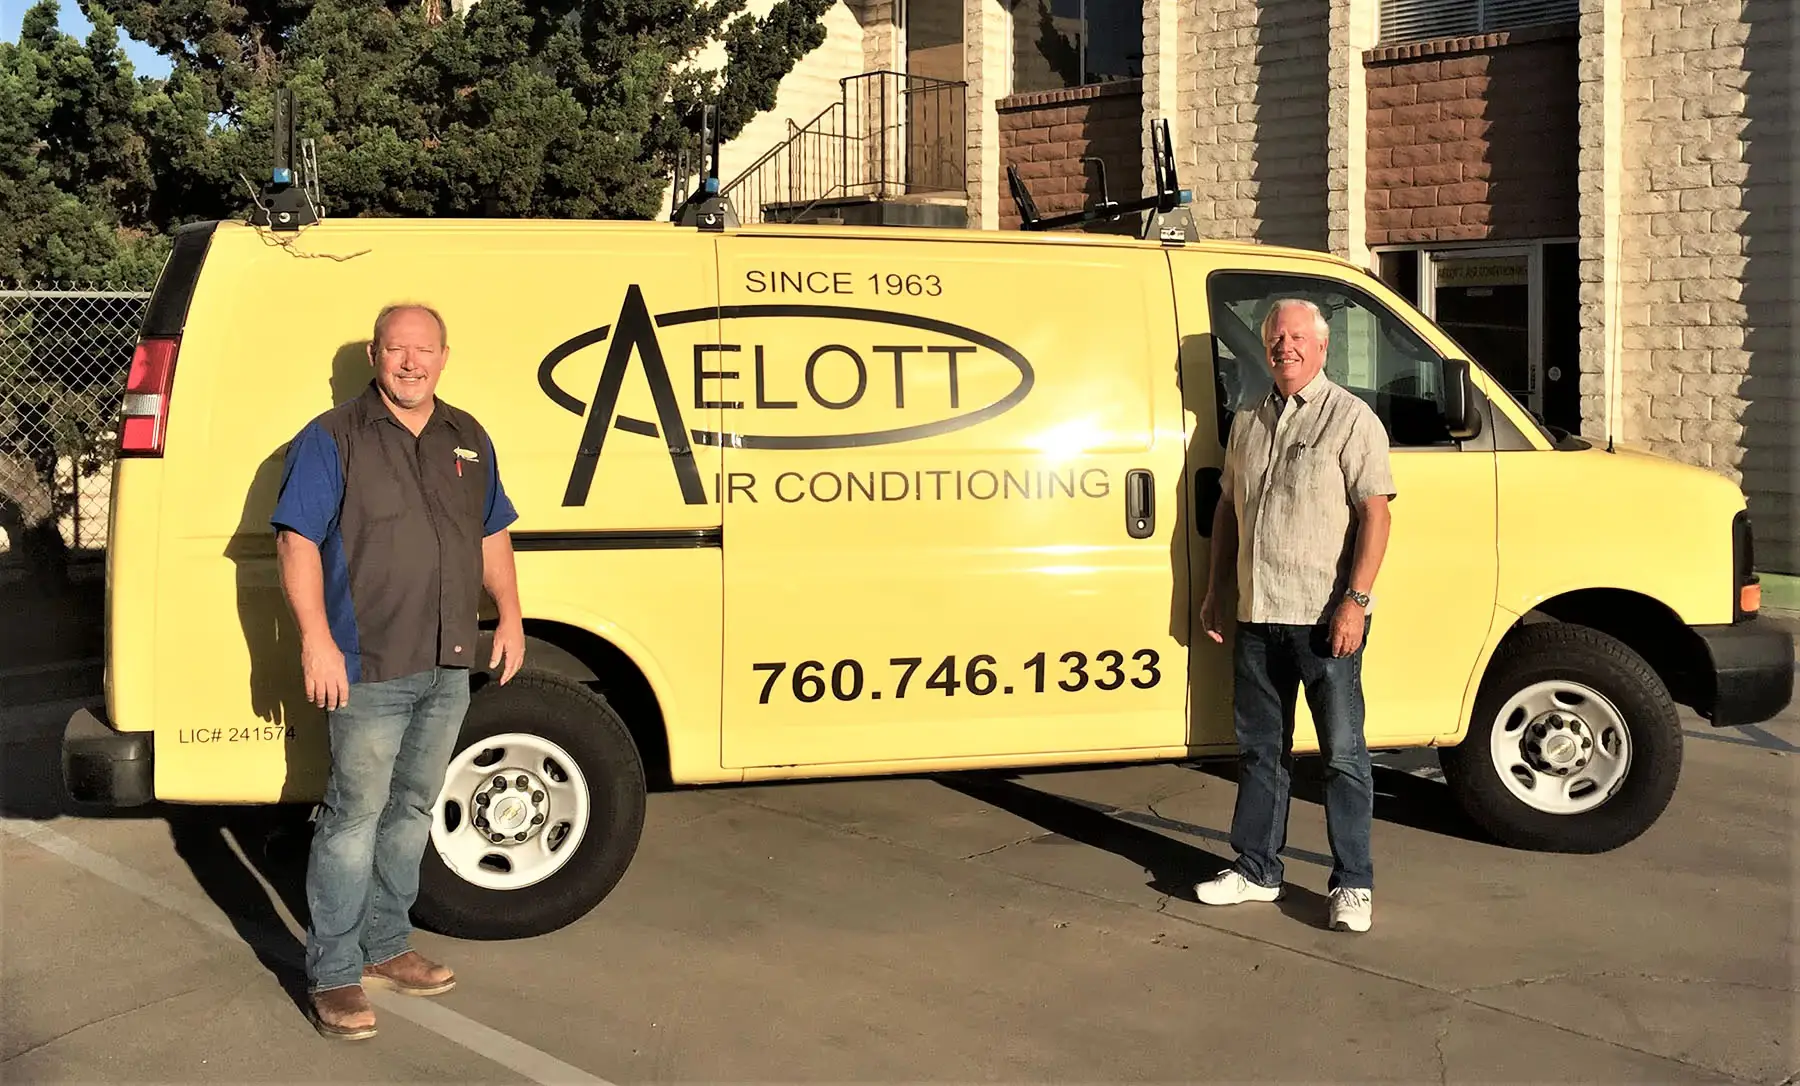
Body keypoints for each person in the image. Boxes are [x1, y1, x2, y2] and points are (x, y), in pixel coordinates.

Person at [271, 303, 526, 1039]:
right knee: (352, 818)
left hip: (448, 660)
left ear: (445, 356)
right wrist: (316, 641)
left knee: (412, 809)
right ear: (375, 357)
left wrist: (508, 615)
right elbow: (296, 542)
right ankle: (335, 974)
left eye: (423, 350)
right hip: (368, 667)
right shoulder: (333, 438)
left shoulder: (467, 436)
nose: (409, 362)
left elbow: (493, 532)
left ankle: (385, 945)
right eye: (395, 349)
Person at [1195, 296, 1394, 933]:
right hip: (1257, 617)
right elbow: (1229, 509)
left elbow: (1377, 515)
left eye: (1298, 337)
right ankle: (1256, 869)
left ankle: (1353, 884)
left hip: (1323, 620)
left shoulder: (1351, 418)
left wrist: (1355, 603)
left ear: (1322, 345)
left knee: (1342, 756)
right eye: (1277, 338)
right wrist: (1214, 589)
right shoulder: (1249, 420)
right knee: (1261, 752)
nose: (1286, 347)